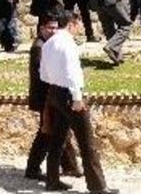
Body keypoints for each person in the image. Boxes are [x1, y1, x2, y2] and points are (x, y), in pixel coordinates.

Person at [40, 10, 116, 194]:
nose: (80, 28)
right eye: (79, 24)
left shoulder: (48, 43)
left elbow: (43, 73)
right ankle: (97, 186)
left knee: (57, 139)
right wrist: (77, 98)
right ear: (72, 24)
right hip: (69, 95)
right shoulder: (68, 44)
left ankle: (52, 180)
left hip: (55, 92)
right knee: (87, 142)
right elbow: (73, 73)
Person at [24, 11, 80, 182]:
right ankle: (33, 168)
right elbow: (42, 76)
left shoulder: (47, 44)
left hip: (50, 96)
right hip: (45, 97)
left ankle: (69, 166)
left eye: (56, 28)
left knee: (57, 131)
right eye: (50, 28)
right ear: (41, 28)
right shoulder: (39, 47)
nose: (53, 31)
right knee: (47, 132)